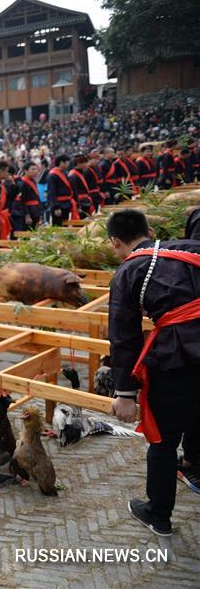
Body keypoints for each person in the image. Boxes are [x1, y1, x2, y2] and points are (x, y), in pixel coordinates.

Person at [106, 209, 200, 537]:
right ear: (150, 229)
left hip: (177, 357)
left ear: (115, 242)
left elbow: (124, 336)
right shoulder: (192, 249)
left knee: (163, 440)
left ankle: (158, 515)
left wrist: (125, 393)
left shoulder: (130, 270)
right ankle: (196, 472)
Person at [47, 154, 78, 226]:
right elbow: (52, 192)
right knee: (57, 225)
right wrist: (56, 207)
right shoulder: (52, 175)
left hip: (66, 203)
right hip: (59, 204)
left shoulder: (65, 173)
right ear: (61, 163)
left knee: (65, 224)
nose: (68, 164)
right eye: (67, 162)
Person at [13, 162, 42, 232]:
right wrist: (27, 215)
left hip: (35, 211)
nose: (36, 171)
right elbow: (22, 201)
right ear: (26, 171)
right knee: (27, 234)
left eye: (36, 169)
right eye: (33, 169)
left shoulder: (33, 181)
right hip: (29, 211)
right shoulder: (22, 183)